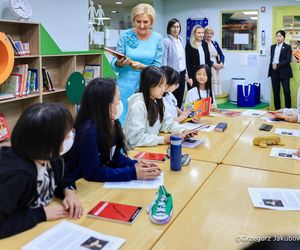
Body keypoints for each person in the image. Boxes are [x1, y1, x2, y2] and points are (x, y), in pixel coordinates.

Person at [0, 103, 82, 239]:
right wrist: (41, 214)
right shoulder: (17, 174)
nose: (70, 137)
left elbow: (61, 177)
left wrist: (69, 192)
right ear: (48, 142)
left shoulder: (51, 158)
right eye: (66, 135)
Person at [64, 78, 161, 182]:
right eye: (118, 99)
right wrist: (133, 173)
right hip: (80, 185)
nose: (120, 103)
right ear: (104, 103)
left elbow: (113, 156)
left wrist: (136, 164)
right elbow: (92, 173)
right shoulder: (89, 131)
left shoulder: (111, 122)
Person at [111, 3, 163, 123]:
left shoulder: (157, 38)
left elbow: (158, 67)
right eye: (138, 21)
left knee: (142, 120)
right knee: (123, 119)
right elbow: (114, 64)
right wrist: (120, 63)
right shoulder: (125, 35)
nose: (142, 25)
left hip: (148, 85)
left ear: (152, 22)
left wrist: (143, 67)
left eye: (146, 22)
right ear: (133, 20)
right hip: (125, 85)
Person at [124, 66, 196, 149]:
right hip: (136, 152)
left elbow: (168, 123)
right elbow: (135, 139)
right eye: (159, 86)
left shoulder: (157, 100)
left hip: (150, 148)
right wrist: (164, 139)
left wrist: (184, 131)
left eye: (164, 85)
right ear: (148, 85)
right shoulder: (138, 105)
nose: (163, 90)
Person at [162, 18, 188, 108]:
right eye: (173, 27)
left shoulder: (181, 40)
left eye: (177, 27)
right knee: (172, 95)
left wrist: (186, 73)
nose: (175, 29)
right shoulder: (166, 41)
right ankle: (173, 115)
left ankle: (179, 114)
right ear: (169, 28)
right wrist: (165, 75)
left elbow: (183, 58)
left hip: (182, 71)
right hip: (171, 73)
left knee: (181, 94)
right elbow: (164, 59)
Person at [268, 30, 293, 110]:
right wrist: (273, 66)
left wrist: (277, 65)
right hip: (274, 72)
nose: (278, 38)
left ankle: (288, 110)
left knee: (286, 92)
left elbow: (288, 60)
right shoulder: (272, 47)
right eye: (277, 36)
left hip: (284, 72)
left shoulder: (287, 47)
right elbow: (272, 59)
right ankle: (277, 110)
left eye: (280, 36)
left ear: (284, 37)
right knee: (276, 92)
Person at [185, 25, 213, 89]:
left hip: (204, 73)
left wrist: (209, 74)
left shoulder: (205, 44)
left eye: (202, 33)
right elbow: (188, 62)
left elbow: (208, 60)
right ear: (194, 34)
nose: (201, 35)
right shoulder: (189, 45)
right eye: (199, 33)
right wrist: (190, 77)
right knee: (195, 95)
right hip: (194, 74)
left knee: (204, 94)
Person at [204, 26, 225, 96]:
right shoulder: (202, 44)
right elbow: (204, 57)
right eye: (207, 33)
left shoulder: (215, 43)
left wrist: (221, 64)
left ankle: (214, 101)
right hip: (208, 67)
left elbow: (222, 55)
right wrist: (213, 64)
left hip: (217, 68)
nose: (209, 35)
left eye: (210, 33)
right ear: (204, 34)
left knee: (215, 88)